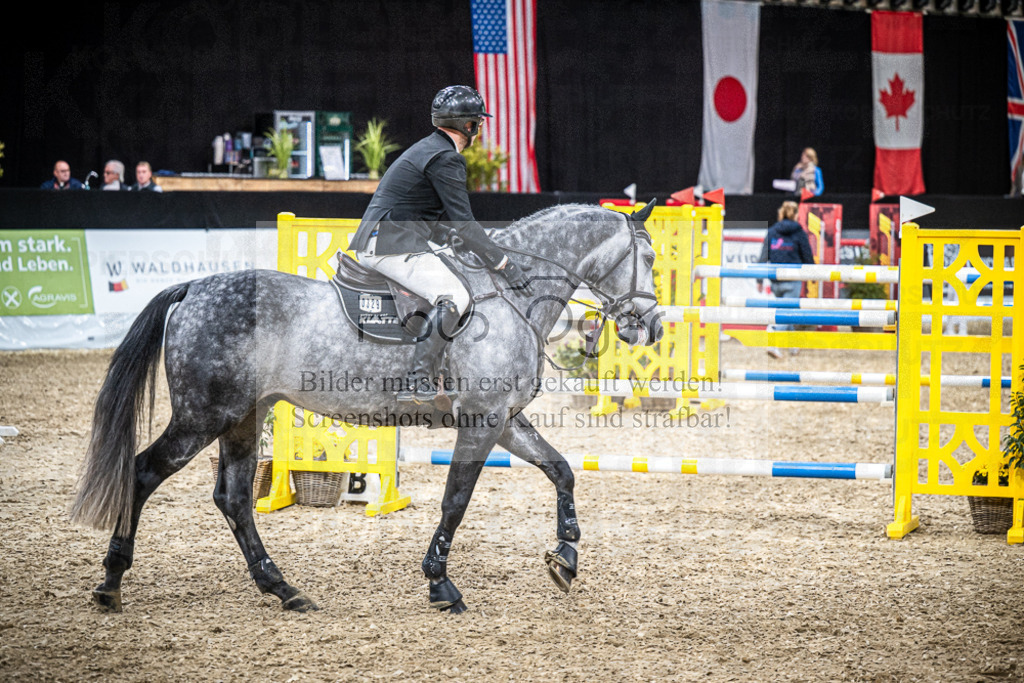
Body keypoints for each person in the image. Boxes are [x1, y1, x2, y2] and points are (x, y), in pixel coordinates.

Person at [349, 85, 532, 405]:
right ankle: (418, 378)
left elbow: (417, 208)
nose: (479, 128)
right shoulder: (447, 157)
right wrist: (503, 262)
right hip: (392, 244)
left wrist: (447, 236)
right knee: (455, 295)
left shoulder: (429, 147)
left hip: (390, 236)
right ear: (468, 126)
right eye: (478, 122)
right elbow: (465, 222)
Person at [757, 200, 815, 359]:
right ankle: (773, 343)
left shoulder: (772, 231)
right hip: (793, 279)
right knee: (786, 313)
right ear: (796, 215)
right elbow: (807, 256)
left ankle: (794, 345)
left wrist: (759, 280)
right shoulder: (800, 232)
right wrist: (813, 275)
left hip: (775, 280)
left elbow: (763, 256)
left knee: (785, 310)